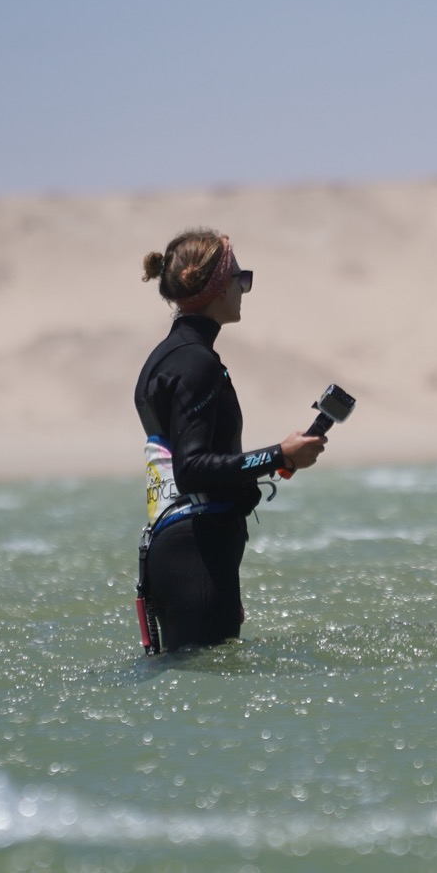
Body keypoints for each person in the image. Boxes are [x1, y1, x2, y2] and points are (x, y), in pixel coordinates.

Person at [133, 229, 324, 651]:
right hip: (195, 551)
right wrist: (279, 454)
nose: (244, 288)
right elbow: (192, 468)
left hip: (174, 547)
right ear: (217, 287)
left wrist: (279, 461)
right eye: (241, 278)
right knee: (209, 697)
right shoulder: (195, 363)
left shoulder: (163, 358)